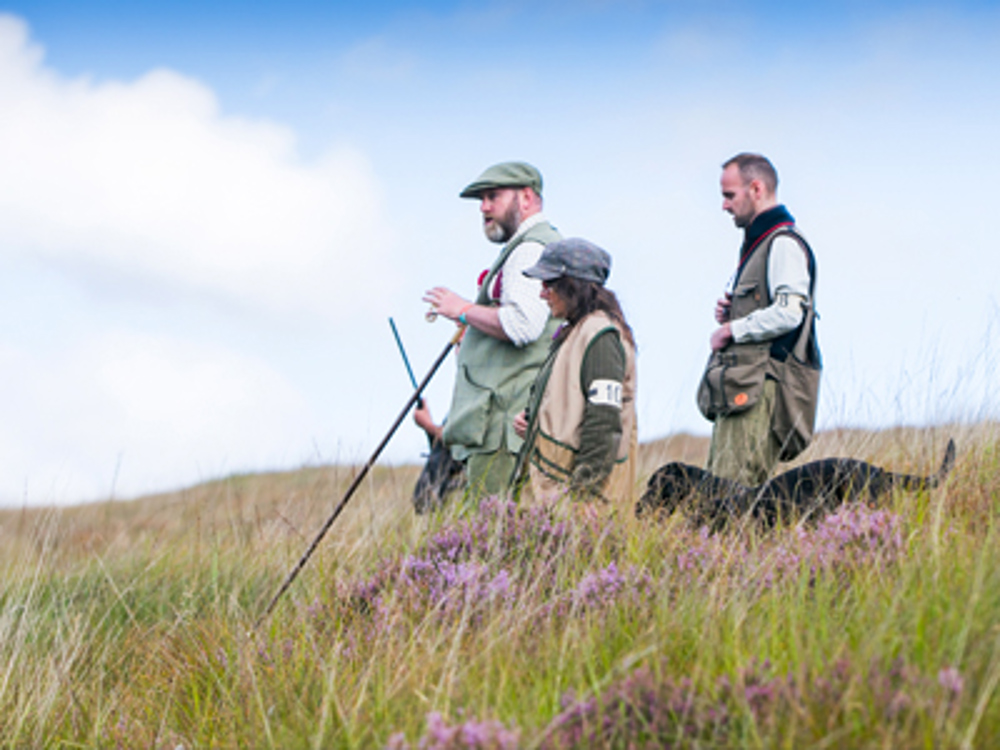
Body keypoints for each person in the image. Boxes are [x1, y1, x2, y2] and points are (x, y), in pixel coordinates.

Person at [423, 162, 561, 499]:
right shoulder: (530, 245)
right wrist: (475, 327)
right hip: (504, 424)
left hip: (504, 427)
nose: (484, 208)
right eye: (481, 200)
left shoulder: (530, 248)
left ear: (526, 197)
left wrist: (464, 309)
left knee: (494, 534)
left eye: (493, 197)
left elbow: (523, 324)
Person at [701, 153, 818, 486]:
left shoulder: (782, 243)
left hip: (758, 389)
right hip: (744, 386)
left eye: (729, 195)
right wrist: (735, 312)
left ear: (756, 188)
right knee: (722, 490)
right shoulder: (763, 243)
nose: (724, 206)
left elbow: (789, 312)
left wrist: (733, 329)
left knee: (733, 496)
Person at [512, 238, 637, 506]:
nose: (542, 293)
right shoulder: (577, 331)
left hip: (575, 498)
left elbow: (604, 421)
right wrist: (533, 424)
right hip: (554, 494)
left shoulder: (600, 336)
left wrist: (585, 493)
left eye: (548, 284)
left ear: (572, 285)